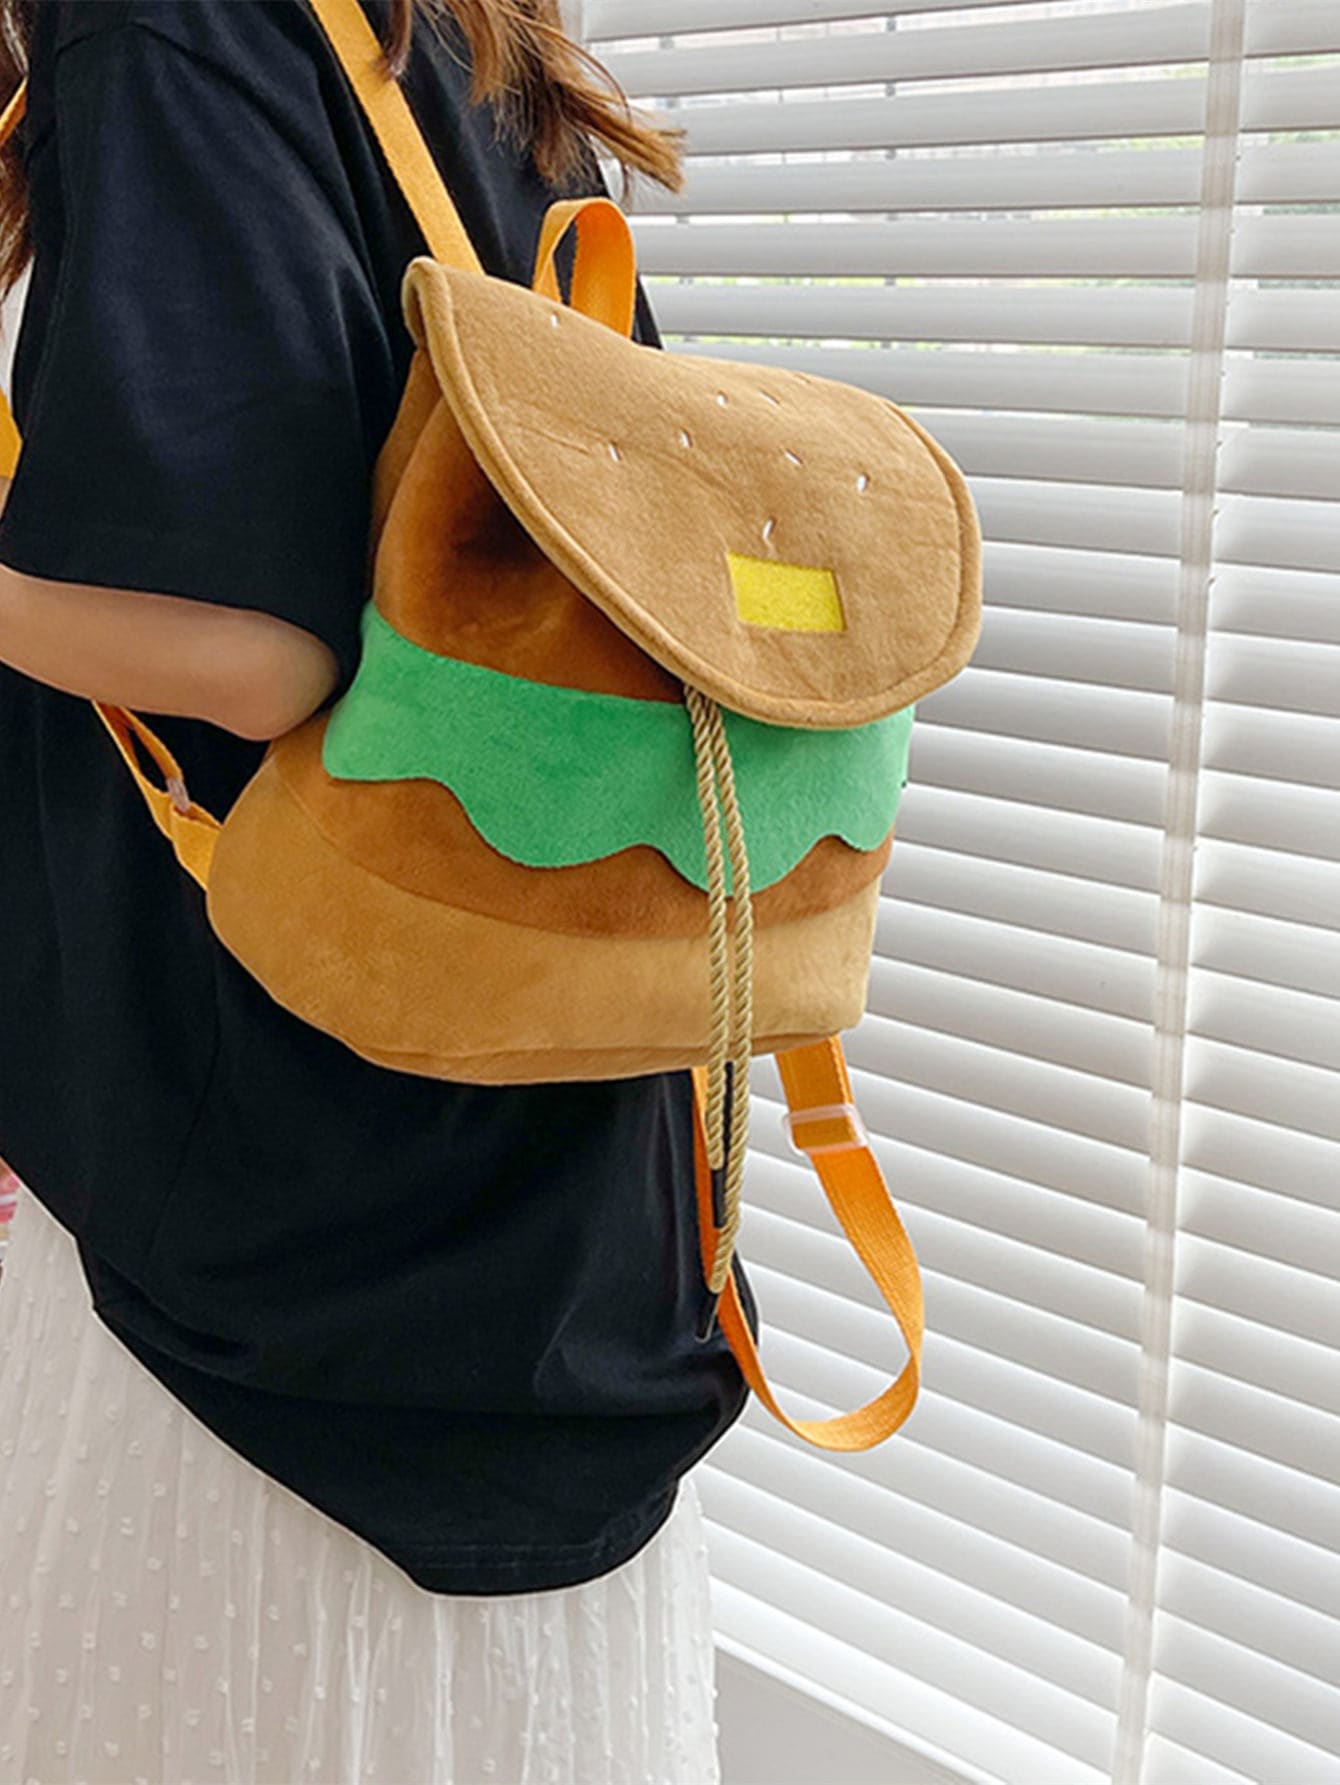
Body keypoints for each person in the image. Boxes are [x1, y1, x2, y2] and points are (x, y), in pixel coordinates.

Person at [0, 1, 759, 1778]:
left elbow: (247, 645)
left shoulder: (162, 25)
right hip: (564, 1195)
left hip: (278, 1247)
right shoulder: (467, 39)